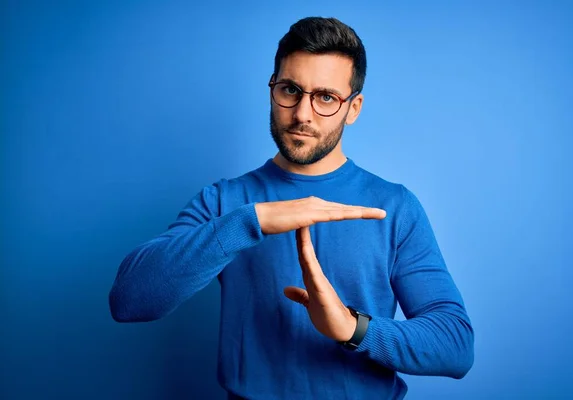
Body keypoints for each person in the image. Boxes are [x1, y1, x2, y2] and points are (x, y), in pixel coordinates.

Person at [109, 16, 474, 400]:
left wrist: (352, 328)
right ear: (272, 90)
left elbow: (455, 345)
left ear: (353, 108)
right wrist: (254, 220)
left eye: (326, 97)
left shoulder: (394, 207)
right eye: (290, 90)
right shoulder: (224, 201)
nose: (302, 113)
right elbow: (130, 300)